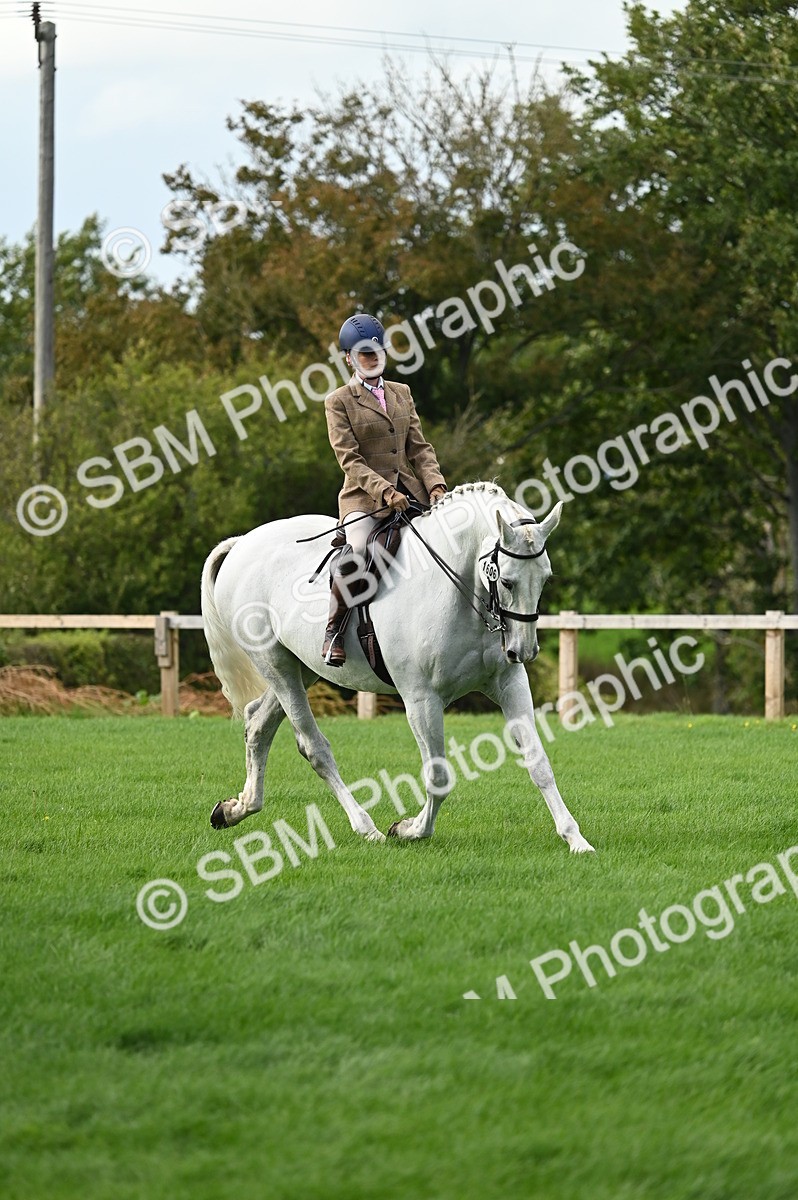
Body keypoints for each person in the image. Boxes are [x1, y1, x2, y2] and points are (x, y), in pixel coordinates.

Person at [322, 313, 447, 665]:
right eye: (364, 353)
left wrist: (435, 486)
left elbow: (419, 449)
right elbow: (351, 460)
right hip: (364, 498)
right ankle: (334, 630)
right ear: (349, 358)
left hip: (410, 492)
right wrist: (385, 493)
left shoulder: (402, 393)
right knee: (359, 549)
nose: (372, 357)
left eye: (377, 350)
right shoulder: (339, 401)